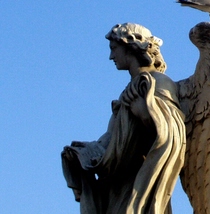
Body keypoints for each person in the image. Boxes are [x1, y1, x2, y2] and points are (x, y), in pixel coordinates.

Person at [62, 23, 186, 214]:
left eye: (114, 48)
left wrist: (144, 112)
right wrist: (89, 151)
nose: (111, 56)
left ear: (130, 46)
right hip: (117, 185)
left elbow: (173, 134)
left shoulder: (159, 82)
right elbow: (116, 138)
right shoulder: (130, 88)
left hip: (139, 185)